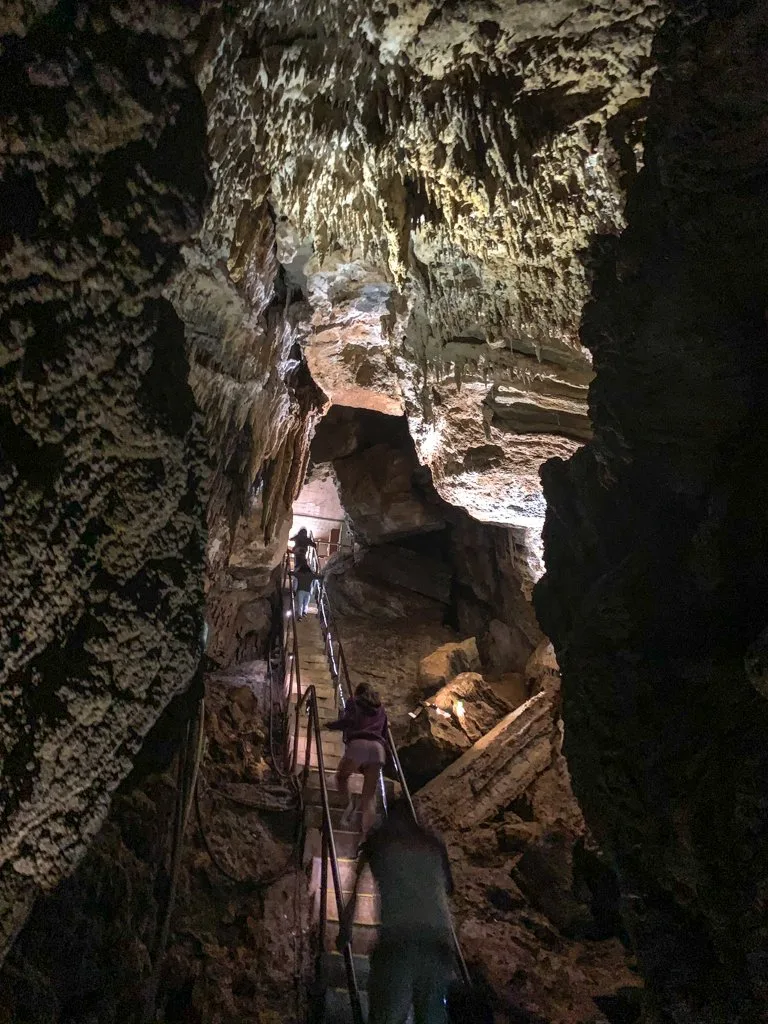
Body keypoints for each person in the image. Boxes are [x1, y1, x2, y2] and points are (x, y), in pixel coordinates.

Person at [337, 799, 456, 1024]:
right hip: (437, 939)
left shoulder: (378, 841)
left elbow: (354, 893)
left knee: (387, 1014)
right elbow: (450, 888)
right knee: (431, 1015)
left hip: (398, 938)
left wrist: (345, 930)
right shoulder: (433, 842)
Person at [326, 682, 388, 834]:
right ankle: (366, 837)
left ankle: (348, 808)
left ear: (357, 692)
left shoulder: (354, 702)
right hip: (378, 750)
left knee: (341, 777)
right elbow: (384, 732)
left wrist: (329, 726)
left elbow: (349, 721)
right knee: (369, 797)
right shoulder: (381, 709)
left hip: (359, 745)